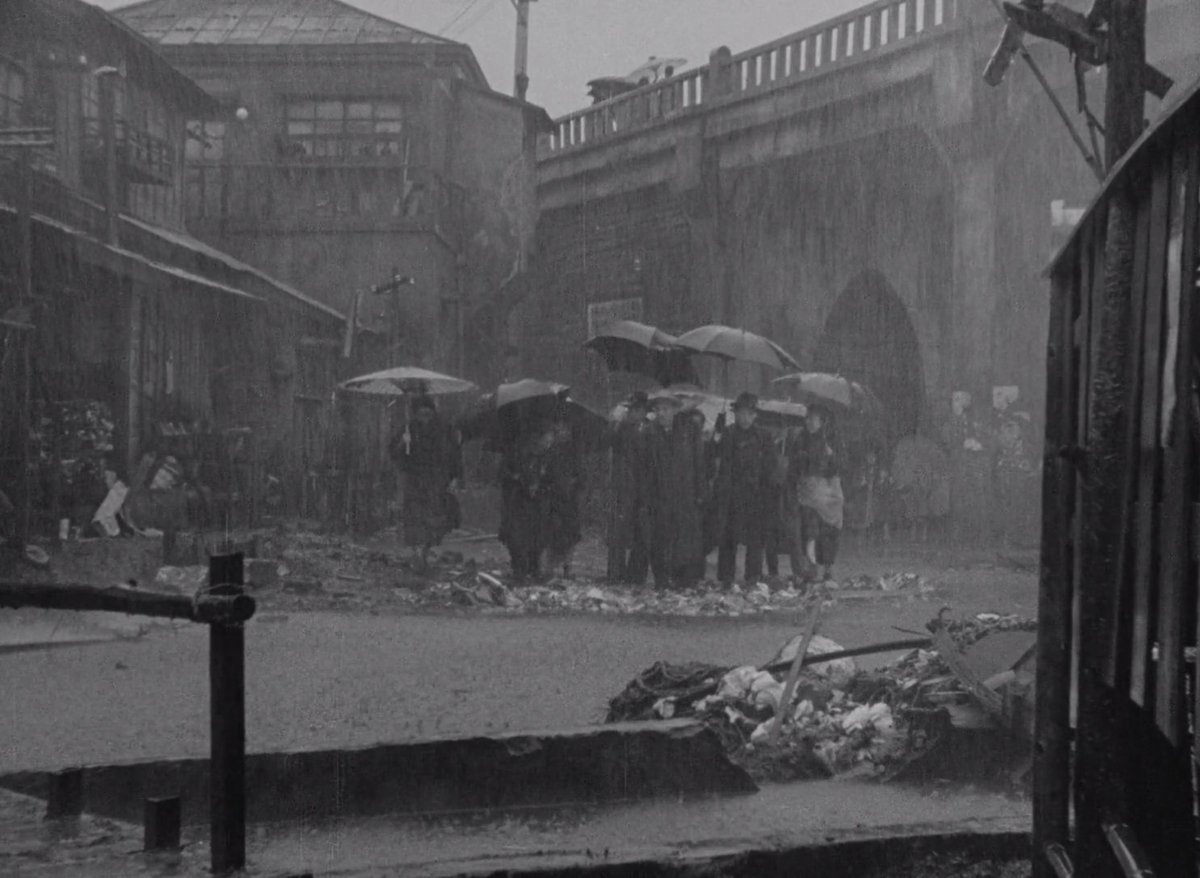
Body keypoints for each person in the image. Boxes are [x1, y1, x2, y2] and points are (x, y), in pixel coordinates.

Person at [391, 395, 461, 565]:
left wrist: (455, 477)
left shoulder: (444, 429)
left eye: (428, 415)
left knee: (435, 517)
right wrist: (402, 443)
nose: (425, 419)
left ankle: (427, 548)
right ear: (415, 414)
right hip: (415, 480)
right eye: (421, 415)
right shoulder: (407, 429)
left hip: (437, 480)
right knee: (415, 517)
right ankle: (418, 552)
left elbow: (455, 455)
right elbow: (395, 455)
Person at [606, 391, 666, 586]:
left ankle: (635, 575)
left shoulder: (650, 431)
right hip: (624, 487)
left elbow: (653, 462)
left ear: (642, 411)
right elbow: (609, 442)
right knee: (619, 534)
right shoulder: (622, 429)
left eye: (635, 410)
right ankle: (616, 574)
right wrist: (614, 423)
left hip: (643, 488)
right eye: (630, 410)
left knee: (643, 535)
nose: (631, 413)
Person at [713, 392, 774, 585]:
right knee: (729, 536)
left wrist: (765, 490)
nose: (744, 417)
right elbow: (720, 461)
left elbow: (770, 465)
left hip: (756, 494)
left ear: (755, 415)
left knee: (756, 538)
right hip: (733, 493)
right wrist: (717, 434)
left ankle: (753, 576)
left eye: (748, 413)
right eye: (740, 413)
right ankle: (726, 577)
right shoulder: (729, 433)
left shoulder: (764, 436)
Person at [652, 395, 707, 587]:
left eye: (665, 409)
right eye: (658, 410)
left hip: (685, 494)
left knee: (685, 538)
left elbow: (699, 463)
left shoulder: (688, 431)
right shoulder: (652, 433)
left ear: (675, 410)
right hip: (660, 494)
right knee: (661, 536)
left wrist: (701, 493)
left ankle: (684, 578)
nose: (661, 413)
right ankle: (661, 579)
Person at [790, 404, 844, 583]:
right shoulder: (800, 440)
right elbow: (794, 467)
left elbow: (835, 468)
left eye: (814, 419)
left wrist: (830, 457)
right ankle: (809, 569)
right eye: (808, 418)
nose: (810, 422)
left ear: (822, 422)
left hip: (827, 491)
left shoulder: (830, 442)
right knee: (808, 532)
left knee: (829, 531)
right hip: (806, 493)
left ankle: (827, 567)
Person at [499, 421, 554, 581]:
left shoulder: (548, 457)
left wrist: (543, 483)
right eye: (546, 441)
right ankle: (520, 568)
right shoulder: (517, 453)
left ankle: (534, 568)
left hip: (539, 503)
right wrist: (518, 479)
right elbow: (504, 473)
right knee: (517, 537)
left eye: (550, 442)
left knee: (537, 537)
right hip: (518, 501)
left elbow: (553, 478)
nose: (548, 445)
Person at [541, 415, 584, 579]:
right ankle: (549, 568)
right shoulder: (550, 451)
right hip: (553, 499)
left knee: (570, 534)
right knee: (553, 534)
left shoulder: (575, 451)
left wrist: (573, 483)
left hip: (570, 499)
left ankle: (567, 567)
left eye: (565, 429)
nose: (563, 432)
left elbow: (581, 475)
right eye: (559, 429)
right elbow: (545, 474)